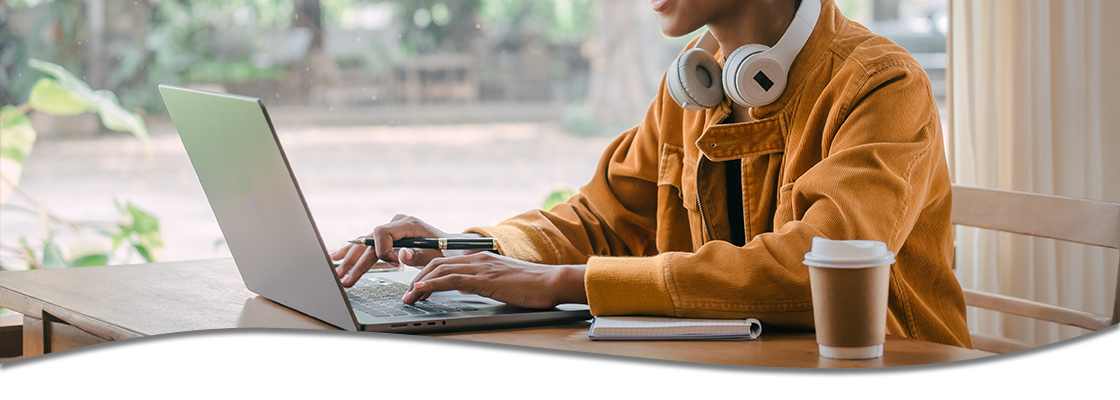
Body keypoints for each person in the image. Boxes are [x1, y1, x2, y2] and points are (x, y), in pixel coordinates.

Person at [331, 0, 972, 348]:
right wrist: (464, 249)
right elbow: (600, 218)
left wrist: (563, 281)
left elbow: (817, 266)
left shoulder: (881, 84)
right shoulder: (694, 85)